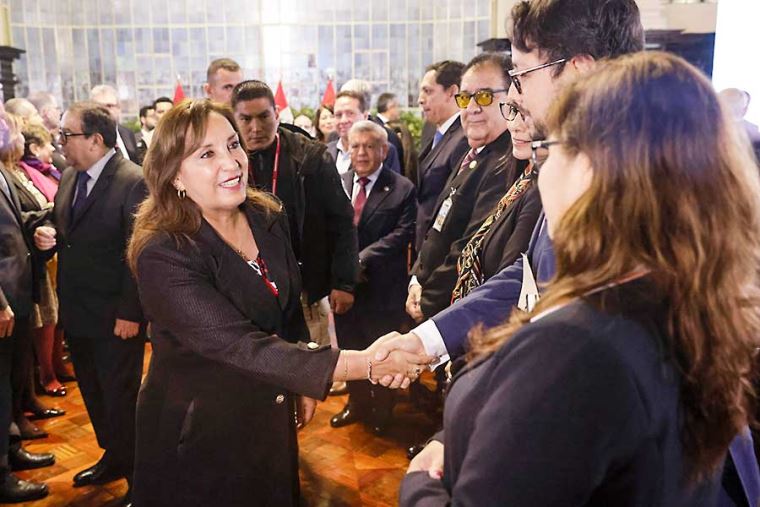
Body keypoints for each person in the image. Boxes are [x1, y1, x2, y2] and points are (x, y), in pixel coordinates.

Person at [399, 48, 760, 507]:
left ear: (591, 169)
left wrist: (421, 483)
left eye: (550, 149)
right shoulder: (681, 299)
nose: (541, 168)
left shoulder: (576, 347)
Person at [126, 99, 431, 506]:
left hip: (269, 411)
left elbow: (287, 310)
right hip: (199, 430)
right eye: (207, 154)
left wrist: (300, 381)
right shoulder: (164, 253)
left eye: (233, 145)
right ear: (174, 175)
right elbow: (241, 346)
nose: (232, 162)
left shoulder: (265, 215)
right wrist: (367, 364)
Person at [33, 102, 147, 500]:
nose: (60, 142)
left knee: (121, 399)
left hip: (117, 316)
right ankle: (113, 457)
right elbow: (63, 223)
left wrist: (131, 312)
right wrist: (46, 232)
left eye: (67, 135)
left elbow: (140, 252)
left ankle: (139, 478)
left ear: (96, 140)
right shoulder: (70, 175)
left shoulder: (133, 181)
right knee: (95, 394)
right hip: (78, 311)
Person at [231, 80, 358, 346]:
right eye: (246, 119)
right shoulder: (224, 161)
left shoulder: (311, 157)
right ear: (234, 119)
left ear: (277, 114)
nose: (255, 128)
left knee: (312, 362)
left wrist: (344, 282)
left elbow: (342, 222)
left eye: (263, 117)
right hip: (245, 290)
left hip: (304, 288)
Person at [407, 52, 516, 322]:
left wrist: (429, 300)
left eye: (485, 97)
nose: (472, 108)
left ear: (512, 97)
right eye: (465, 98)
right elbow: (439, 224)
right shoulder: (474, 153)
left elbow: (470, 245)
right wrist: (417, 278)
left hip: (457, 312)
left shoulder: (506, 163)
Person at [330, 121, 416, 435]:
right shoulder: (338, 182)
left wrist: (360, 258)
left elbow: (403, 233)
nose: (362, 152)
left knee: (382, 350)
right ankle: (357, 404)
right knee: (350, 346)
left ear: (384, 150)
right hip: (346, 289)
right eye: (355, 146)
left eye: (369, 146)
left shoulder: (402, 188)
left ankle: (383, 409)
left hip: (383, 288)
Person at [0, 104, 52, 503]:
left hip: (16, 292)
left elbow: (11, 225)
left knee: (10, 380)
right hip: (3, 298)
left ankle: (10, 447)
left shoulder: (4, 169)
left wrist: (35, 227)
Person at [415, 60, 469, 252]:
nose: (420, 99)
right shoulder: (430, 130)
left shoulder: (465, 137)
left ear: (452, 92)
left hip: (442, 249)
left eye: (428, 91)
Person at [328, 91, 402, 175]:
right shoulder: (327, 152)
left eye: (350, 114)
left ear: (365, 116)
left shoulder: (382, 150)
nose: (343, 120)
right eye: (338, 115)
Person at [90, 85, 139, 163]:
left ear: (119, 108)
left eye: (109, 106)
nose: (104, 110)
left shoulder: (127, 133)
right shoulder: (87, 138)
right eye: (99, 107)